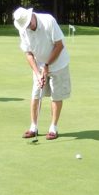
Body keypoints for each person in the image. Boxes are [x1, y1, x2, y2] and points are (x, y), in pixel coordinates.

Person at [13, 7, 71, 140]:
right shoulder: (23, 29)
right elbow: (28, 53)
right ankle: (33, 127)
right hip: (39, 66)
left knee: (56, 95)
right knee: (35, 94)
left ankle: (53, 128)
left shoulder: (48, 21)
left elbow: (59, 45)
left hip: (58, 64)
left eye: (29, 23)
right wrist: (37, 72)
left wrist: (47, 65)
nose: (28, 27)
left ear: (32, 15)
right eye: (25, 25)